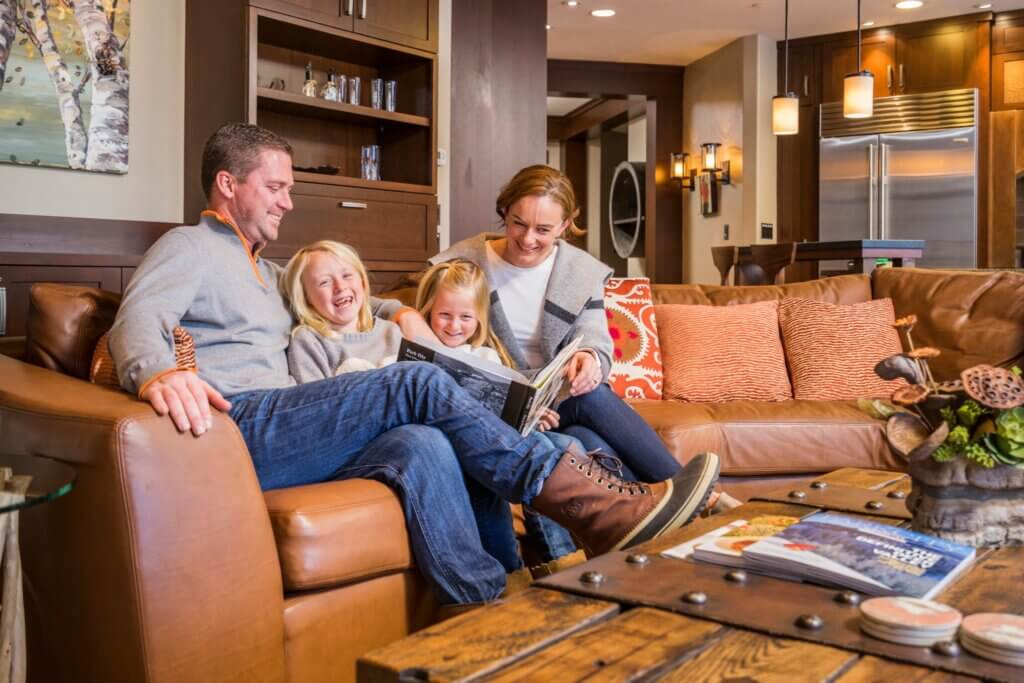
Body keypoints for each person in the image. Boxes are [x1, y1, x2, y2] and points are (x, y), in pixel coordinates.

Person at [108, 122, 720, 606]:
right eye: (276, 188)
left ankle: (487, 599)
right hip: (243, 425)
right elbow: (134, 320)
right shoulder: (188, 246)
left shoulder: (267, 269)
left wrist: (401, 313)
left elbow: (352, 296)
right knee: (416, 380)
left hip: (293, 431)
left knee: (425, 442)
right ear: (227, 184)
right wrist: (159, 373)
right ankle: (590, 501)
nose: (288, 202)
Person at [404, 164, 733, 561]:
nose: (528, 239)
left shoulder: (580, 271)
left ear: (566, 225)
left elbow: (596, 335)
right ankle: (698, 501)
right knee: (589, 422)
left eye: (543, 230)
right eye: (517, 223)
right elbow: (394, 309)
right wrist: (402, 314)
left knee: (590, 422)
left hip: (562, 393)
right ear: (504, 212)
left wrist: (591, 357)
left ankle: (650, 545)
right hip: (507, 402)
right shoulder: (462, 263)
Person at [281, 240, 525, 573]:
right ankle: (536, 471)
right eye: (324, 282)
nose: (340, 287)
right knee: (438, 442)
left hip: (419, 435)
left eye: (346, 275)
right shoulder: (309, 340)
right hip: (366, 447)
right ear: (305, 297)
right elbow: (318, 415)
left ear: (363, 282)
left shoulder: (392, 332)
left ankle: (514, 576)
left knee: (474, 459)